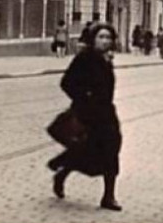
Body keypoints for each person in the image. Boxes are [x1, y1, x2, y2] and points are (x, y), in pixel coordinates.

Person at [48, 22, 123, 211]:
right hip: (87, 114)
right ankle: (62, 173)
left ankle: (108, 197)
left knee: (111, 152)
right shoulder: (84, 58)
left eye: (108, 38)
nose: (105, 41)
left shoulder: (107, 59)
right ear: (93, 39)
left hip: (106, 114)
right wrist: (85, 97)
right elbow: (67, 83)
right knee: (85, 152)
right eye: (101, 37)